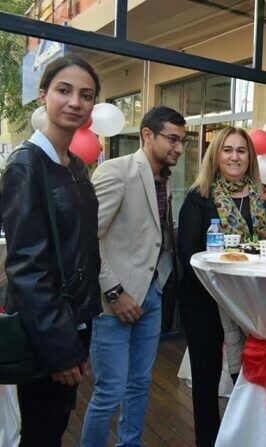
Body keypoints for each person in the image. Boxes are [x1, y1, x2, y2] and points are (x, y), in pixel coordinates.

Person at [0, 54, 102, 446]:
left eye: (86, 95)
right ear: (43, 95)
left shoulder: (73, 164)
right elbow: (28, 268)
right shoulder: (26, 166)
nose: (75, 102)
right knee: (42, 433)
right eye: (64, 90)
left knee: (55, 426)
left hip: (77, 320)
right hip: (49, 330)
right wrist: (60, 349)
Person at [81, 106, 186, 446]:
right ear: (147, 135)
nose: (179, 148)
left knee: (139, 384)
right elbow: (87, 239)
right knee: (109, 392)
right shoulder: (116, 171)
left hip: (151, 294)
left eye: (182, 141)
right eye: (172, 139)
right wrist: (114, 292)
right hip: (113, 301)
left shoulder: (164, 179)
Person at [177, 125, 266, 446]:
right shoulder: (199, 197)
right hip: (205, 302)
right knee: (206, 379)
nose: (235, 157)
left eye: (241, 150)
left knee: (250, 377)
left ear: (250, 157)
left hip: (253, 302)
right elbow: (188, 254)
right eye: (228, 150)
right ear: (216, 155)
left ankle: (249, 438)